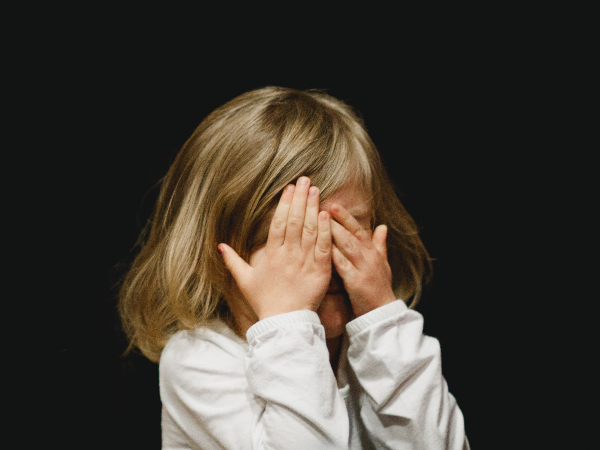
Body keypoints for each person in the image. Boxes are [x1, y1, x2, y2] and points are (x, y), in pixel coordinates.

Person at [119, 86, 470, 449]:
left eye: (346, 229)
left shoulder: (378, 347)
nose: (325, 258)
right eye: (297, 237)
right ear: (220, 253)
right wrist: (288, 321)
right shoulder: (198, 360)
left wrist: (383, 321)